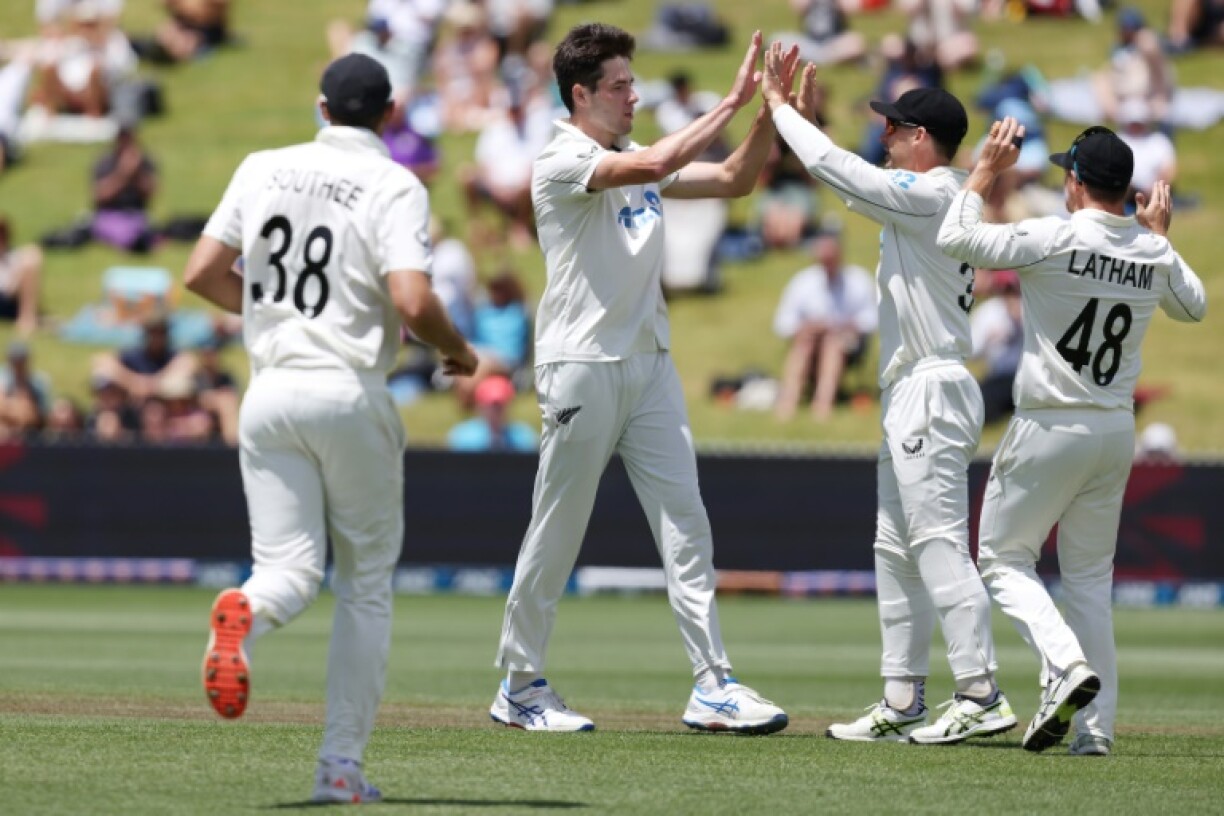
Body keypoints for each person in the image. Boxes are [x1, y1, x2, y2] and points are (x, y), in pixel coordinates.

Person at [182, 52, 477, 802]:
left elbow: (202, 272)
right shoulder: (395, 183)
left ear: (321, 109)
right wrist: (456, 348)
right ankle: (339, 768)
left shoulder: (262, 166)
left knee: (286, 569)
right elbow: (411, 298)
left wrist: (271, 311)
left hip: (270, 390)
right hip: (348, 389)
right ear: (390, 115)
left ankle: (244, 612)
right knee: (366, 585)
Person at [491, 24, 788, 735]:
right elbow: (658, 164)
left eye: (633, 82)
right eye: (621, 86)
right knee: (557, 529)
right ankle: (519, 684)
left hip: (649, 363)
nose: (634, 95)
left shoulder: (631, 153)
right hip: (581, 365)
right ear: (582, 94)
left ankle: (713, 684)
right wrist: (730, 102)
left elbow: (735, 179)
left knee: (687, 524)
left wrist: (771, 115)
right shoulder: (560, 160)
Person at [761, 47, 1013, 744]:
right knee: (895, 548)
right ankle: (902, 699)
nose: (886, 135)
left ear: (922, 140)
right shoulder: (939, 196)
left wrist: (784, 113)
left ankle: (981, 693)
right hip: (912, 387)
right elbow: (850, 178)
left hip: (931, 386)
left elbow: (839, 171)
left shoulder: (936, 195)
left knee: (935, 542)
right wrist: (807, 124)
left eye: (895, 128)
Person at [937, 120, 1206, 755]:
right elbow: (1193, 306)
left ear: (1076, 183)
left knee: (1002, 559)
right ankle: (1095, 733)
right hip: (1114, 431)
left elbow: (955, 237)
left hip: (1049, 422)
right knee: (1089, 581)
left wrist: (981, 172)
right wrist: (1160, 239)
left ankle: (1064, 667)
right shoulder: (1149, 248)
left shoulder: (1054, 235)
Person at [772, 231, 876, 421]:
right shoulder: (803, 281)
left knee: (833, 343)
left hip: (847, 343)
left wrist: (845, 326)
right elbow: (782, 322)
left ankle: (823, 404)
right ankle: (788, 401)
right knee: (805, 343)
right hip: (809, 342)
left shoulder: (858, 280)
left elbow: (871, 319)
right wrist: (805, 328)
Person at [448, 373, 537, 452]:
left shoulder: (524, 436)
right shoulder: (462, 436)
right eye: (491, 405)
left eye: (500, 405)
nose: (496, 410)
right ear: (480, 406)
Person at [0, 215, 44, 337]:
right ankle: (28, 318)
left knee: (31, 256)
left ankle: (28, 317)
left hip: (8, 296)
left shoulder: (11, 257)